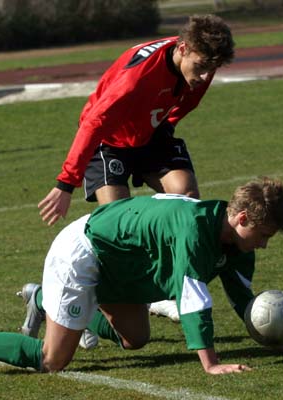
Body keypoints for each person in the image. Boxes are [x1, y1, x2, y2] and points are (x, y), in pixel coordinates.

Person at [0, 178, 283, 382]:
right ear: (242, 219)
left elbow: (244, 300)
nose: (264, 245)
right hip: (83, 252)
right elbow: (192, 300)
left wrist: (278, 341)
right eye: (264, 235)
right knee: (53, 361)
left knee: (135, 339)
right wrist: (211, 365)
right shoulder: (195, 232)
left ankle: (45, 300)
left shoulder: (234, 239)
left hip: (118, 265)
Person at [37, 14, 235, 324]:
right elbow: (94, 124)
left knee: (187, 199)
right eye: (201, 67)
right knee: (119, 228)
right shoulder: (137, 78)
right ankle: (46, 299)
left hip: (151, 134)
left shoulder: (201, 62)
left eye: (213, 68)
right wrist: (65, 183)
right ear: (183, 48)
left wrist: (165, 125)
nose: (205, 75)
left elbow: (185, 101)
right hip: (109, 139)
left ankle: (168, 288)